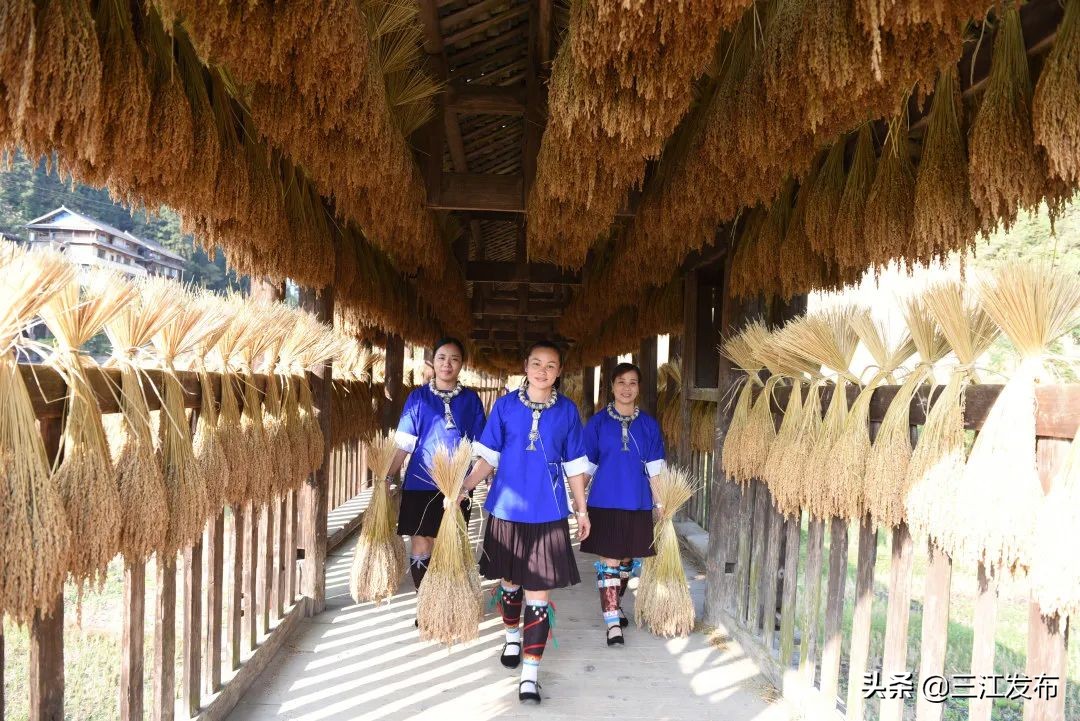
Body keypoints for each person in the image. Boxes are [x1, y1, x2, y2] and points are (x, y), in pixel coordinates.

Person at [460, 341, 591, 705]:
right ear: (525, 366)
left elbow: (576, 466)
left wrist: (582, 510)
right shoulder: (504, 407)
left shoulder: (567, 411)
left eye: (551, 365)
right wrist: (464, 487)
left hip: (548, 514)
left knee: (539, 594)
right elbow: (487, 458)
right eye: (536, 363)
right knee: (511, 582)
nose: (543, 370)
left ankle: (530, 675)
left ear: (559, 371)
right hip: (506, 510)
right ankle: (511, 638)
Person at [385, 338, 485, 601]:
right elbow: (405, 442)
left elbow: (480, 446)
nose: (447, 364)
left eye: (454, 358)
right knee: (420, 541)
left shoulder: (471, 400)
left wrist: (481, 479)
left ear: (462, 364)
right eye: (441, 357)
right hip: (420, 481)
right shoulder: (418, 397)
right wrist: (386, 475)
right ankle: (425, 601)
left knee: (448, 543)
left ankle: (447, 600)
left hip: (456, 486)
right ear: (433, 362)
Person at [581, 362, 666, 646]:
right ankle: (612, 623)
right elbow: (587, 465)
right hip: (604, 501)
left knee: (627, 561)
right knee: (610, 561)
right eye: (621, 382)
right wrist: (579, 503)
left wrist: (661, 503)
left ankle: (614, 604)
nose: (627, 388)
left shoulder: (649, 425)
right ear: (612, 386)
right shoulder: (597, 423)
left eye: (632, 382)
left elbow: (655, 468)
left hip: (638, 501)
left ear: (638, 388)